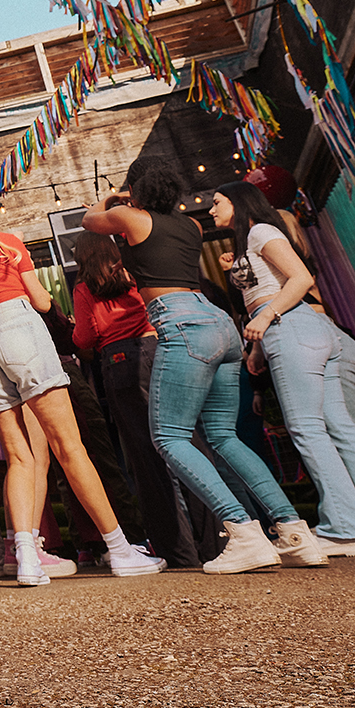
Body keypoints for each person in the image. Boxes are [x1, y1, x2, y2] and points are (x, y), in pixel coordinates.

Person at [82, 155, 308, 574]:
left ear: (137, 188)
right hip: (218, 322)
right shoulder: (191, 225)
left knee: (169, 437)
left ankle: (243, 532)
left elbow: (89, 220)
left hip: (181, 322)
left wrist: (115, 197)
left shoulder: (133, 219)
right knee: (223, 435)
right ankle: (294, 532)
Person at [0, 189, 167, 586]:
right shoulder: (7, 244)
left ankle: (26, 557)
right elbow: (42, 301)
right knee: (70, 447)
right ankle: (119, 549)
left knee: (18, 457)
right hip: (17, 326)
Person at [212, 183, 343, 562]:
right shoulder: (250, 239)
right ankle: (349, 521)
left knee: (306, 429)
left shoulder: (261, 231)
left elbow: (300, 278)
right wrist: (257, 345)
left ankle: (342, 527)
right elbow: (263, 291)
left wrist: (267, 317)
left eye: (217, 202)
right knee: (340, 430)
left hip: (291, 326)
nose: (211, 209)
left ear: (238, 202)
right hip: (298, 328)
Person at [72, 232, 200, 569]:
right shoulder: (133, 274)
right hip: (158, 347)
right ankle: (215, 539)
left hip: (120, 361)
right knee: (185, 443)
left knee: (146, 458)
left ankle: (178, 551)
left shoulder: (85, 287)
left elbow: (84, 337)